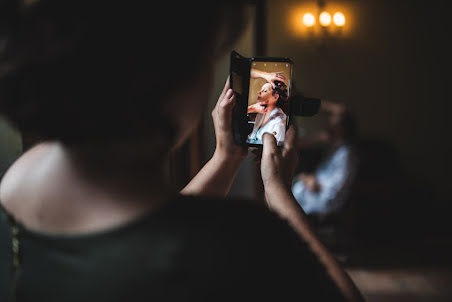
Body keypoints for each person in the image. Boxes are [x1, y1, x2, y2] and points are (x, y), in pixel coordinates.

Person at [0, 1, 363, 301]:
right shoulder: (245, 240)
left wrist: (226, 157)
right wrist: (279, 193)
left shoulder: (21, 180)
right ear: (173, 82)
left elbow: (145, 230)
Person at [292, 100, 359, 216]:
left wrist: (314, 183)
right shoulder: (332, 148)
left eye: (335, 122)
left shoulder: (347, 154)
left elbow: (336, 188)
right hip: (315, 189)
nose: (329, 123)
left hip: (324, 198)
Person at [247, 69, 288, 145]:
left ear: (275, 97)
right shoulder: (261, 113)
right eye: (260, 90)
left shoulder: (279, 122)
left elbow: (275, 149)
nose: (259, 92)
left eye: (264, 91)